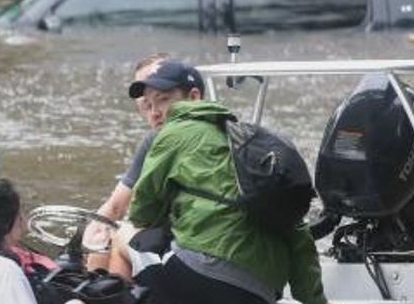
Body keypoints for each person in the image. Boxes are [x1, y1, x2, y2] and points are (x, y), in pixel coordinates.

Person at [126, 60, 327, 304]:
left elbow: (141, 212)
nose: (155, 111)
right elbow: (298, 235)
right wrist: (315, 301)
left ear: (194, 97)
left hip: (203, 274)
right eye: (149, 103)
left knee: (123, 238)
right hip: (261, 292)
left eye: (164, 99)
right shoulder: (252, 148)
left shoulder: (174, 132)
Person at [84, 53, 170, 273]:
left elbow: (116, 207)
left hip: (187, 252)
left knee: (113, 237)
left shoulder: (158, 139)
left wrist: (88, 240)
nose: (153, 110)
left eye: (160, 96)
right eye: (145, 101)